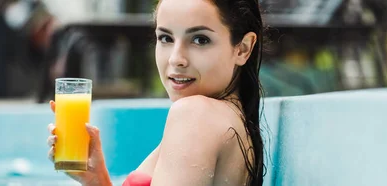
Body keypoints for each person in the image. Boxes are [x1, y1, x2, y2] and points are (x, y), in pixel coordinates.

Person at [47, 0, 266, 185]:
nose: (175, 59)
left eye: (200, 40)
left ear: (243, 48)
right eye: (166, 38)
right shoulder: (232, 119)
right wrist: (99, 180)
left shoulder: (196, 114)